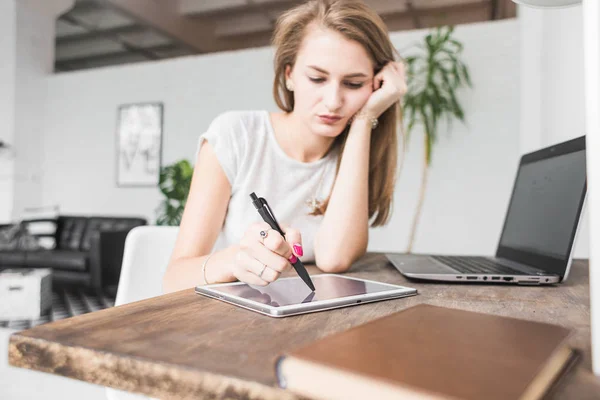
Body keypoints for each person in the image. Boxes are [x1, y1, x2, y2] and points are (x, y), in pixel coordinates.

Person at [163, 0, 407, 293]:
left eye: (354, 84)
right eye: (317, 78)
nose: (333, 101)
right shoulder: (235, 136)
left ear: (376, 86)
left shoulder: (355, 150)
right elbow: (173, 279)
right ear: (289, 75)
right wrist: (232, 261)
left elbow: (335, 258)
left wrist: (365, 119)